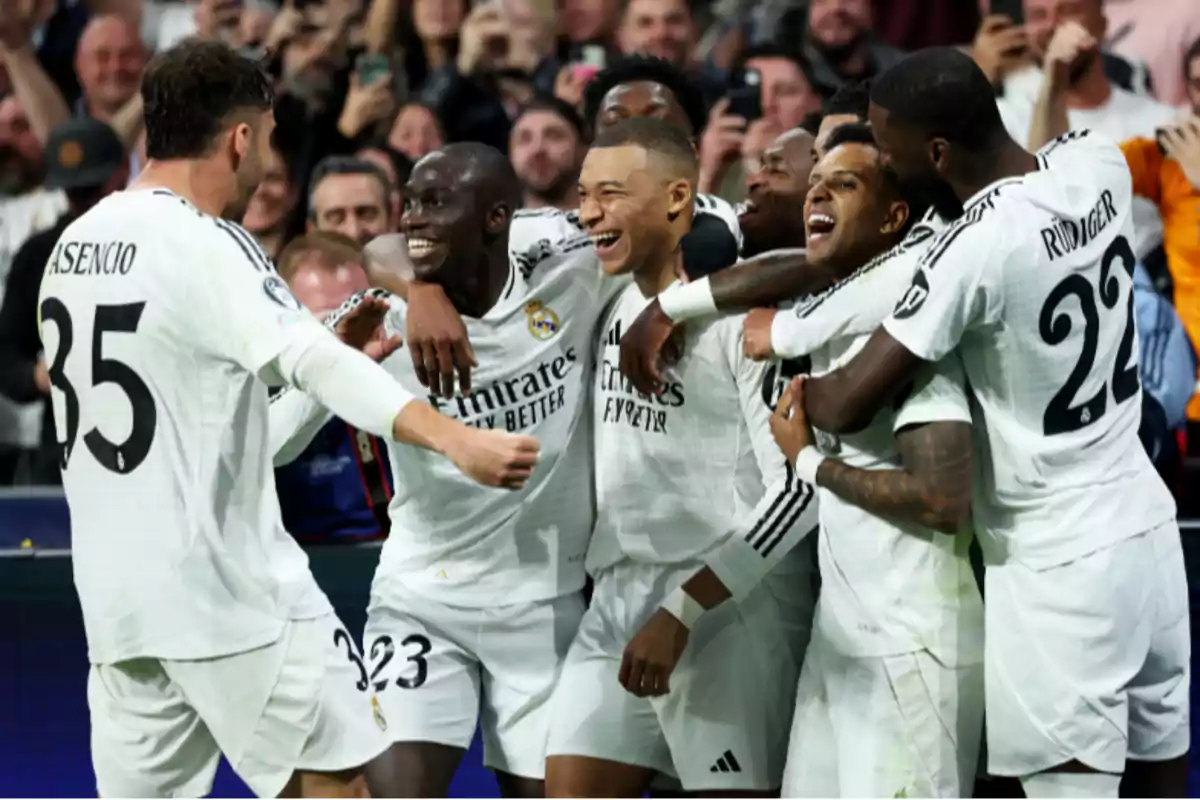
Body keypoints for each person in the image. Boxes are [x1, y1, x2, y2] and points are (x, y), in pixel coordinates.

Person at [39, 39, 539, 798]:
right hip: (231, 594)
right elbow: (313, 358)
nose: (266, 165)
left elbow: (238, 445)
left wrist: (333, 370)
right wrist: (454, 438)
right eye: (267, 143)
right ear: (241, 137)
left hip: (120, 608)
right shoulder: (203, 240)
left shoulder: (74, 245)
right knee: (338, 791)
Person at [795, 48, 1187, 799]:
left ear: (936, 152)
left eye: (888, 142)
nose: (883, 155)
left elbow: (848, 401)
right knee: (1163, 774)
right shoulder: (1095, 163)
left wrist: (791, 384)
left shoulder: (970, 252)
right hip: (1145, 527)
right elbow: (1044, 152)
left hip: (1059, 566)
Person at [275, 141, 629, 797]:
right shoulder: (380, 317)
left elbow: (676, 226)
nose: (413, 218)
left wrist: (671, 309)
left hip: (544, 607)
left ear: (496, 218)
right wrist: (407, 296)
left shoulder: (566, 262)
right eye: (410, 203)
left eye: (436, 203)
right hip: (422, 602)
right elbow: (275, 444)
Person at [543, 116, 817, 798]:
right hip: (617, 598)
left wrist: (687, 609)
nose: (588, 213)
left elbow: (799, 493)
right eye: (583, 194)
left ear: (675, 199)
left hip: (729, 609)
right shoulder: (604, 294)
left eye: (610, 193)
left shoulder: (747, 323)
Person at [759, 125, 985, 797]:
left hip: (912, 643)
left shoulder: (914, 344)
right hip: (844, 637)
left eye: (845, 183)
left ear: (894, 219)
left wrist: (810, 465)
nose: (817, 193)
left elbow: (943, 500)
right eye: (815, 183)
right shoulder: (840, 323)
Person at [387, 54, 745, 398]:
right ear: (592, 149)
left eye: (655, 120)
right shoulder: (558, 233)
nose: (635, 135)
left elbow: (714, 243)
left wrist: (666, 310)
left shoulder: (710, 219)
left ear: (691, 149)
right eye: (617, 122)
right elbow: (386, 249)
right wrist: (422, 292)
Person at [0, 117, 128, 486]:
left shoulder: (157, 244)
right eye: (76, 193)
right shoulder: (40, 253)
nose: (86, 204)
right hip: (65, 449)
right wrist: (36, 377)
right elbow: (6, 354)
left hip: (147, 434)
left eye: (95, 190)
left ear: (123, 174)